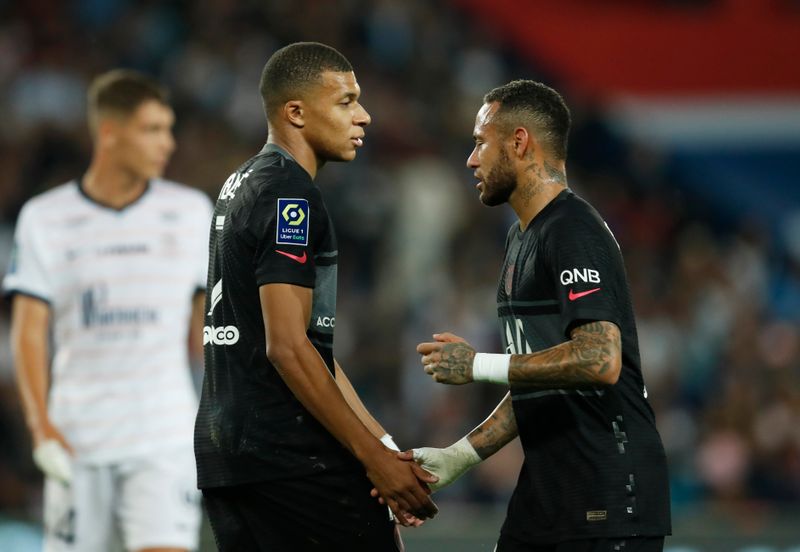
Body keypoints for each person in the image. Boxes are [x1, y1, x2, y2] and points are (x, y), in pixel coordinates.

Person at [194, 41, 437, 551]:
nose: (364, 116)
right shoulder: (290, 196)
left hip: (230, 452)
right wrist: (373, 460)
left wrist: (386, 445)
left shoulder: (242, 182)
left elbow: (310, 349)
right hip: (289, 455)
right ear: (296, 113)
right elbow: (286, 347)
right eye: (346, 101)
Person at [411, 80, 672, 551]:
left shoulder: (573, 230)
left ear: (519, 141)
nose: (471, 159)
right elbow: (542, 375)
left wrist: (476, 365)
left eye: (479, 142)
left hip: (608, 493)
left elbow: (599, 359)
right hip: (549, 487)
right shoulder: (521, 238)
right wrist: (461, 456)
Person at [4, 70, 211, 552]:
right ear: (110, 134)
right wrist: (41, 429)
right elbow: (30, 331)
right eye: (153, 130)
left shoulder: (190, 213)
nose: (169, 144)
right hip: (79, 437)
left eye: (169, 129)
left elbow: (208, 328)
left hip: (164, 433)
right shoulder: (46, 219)